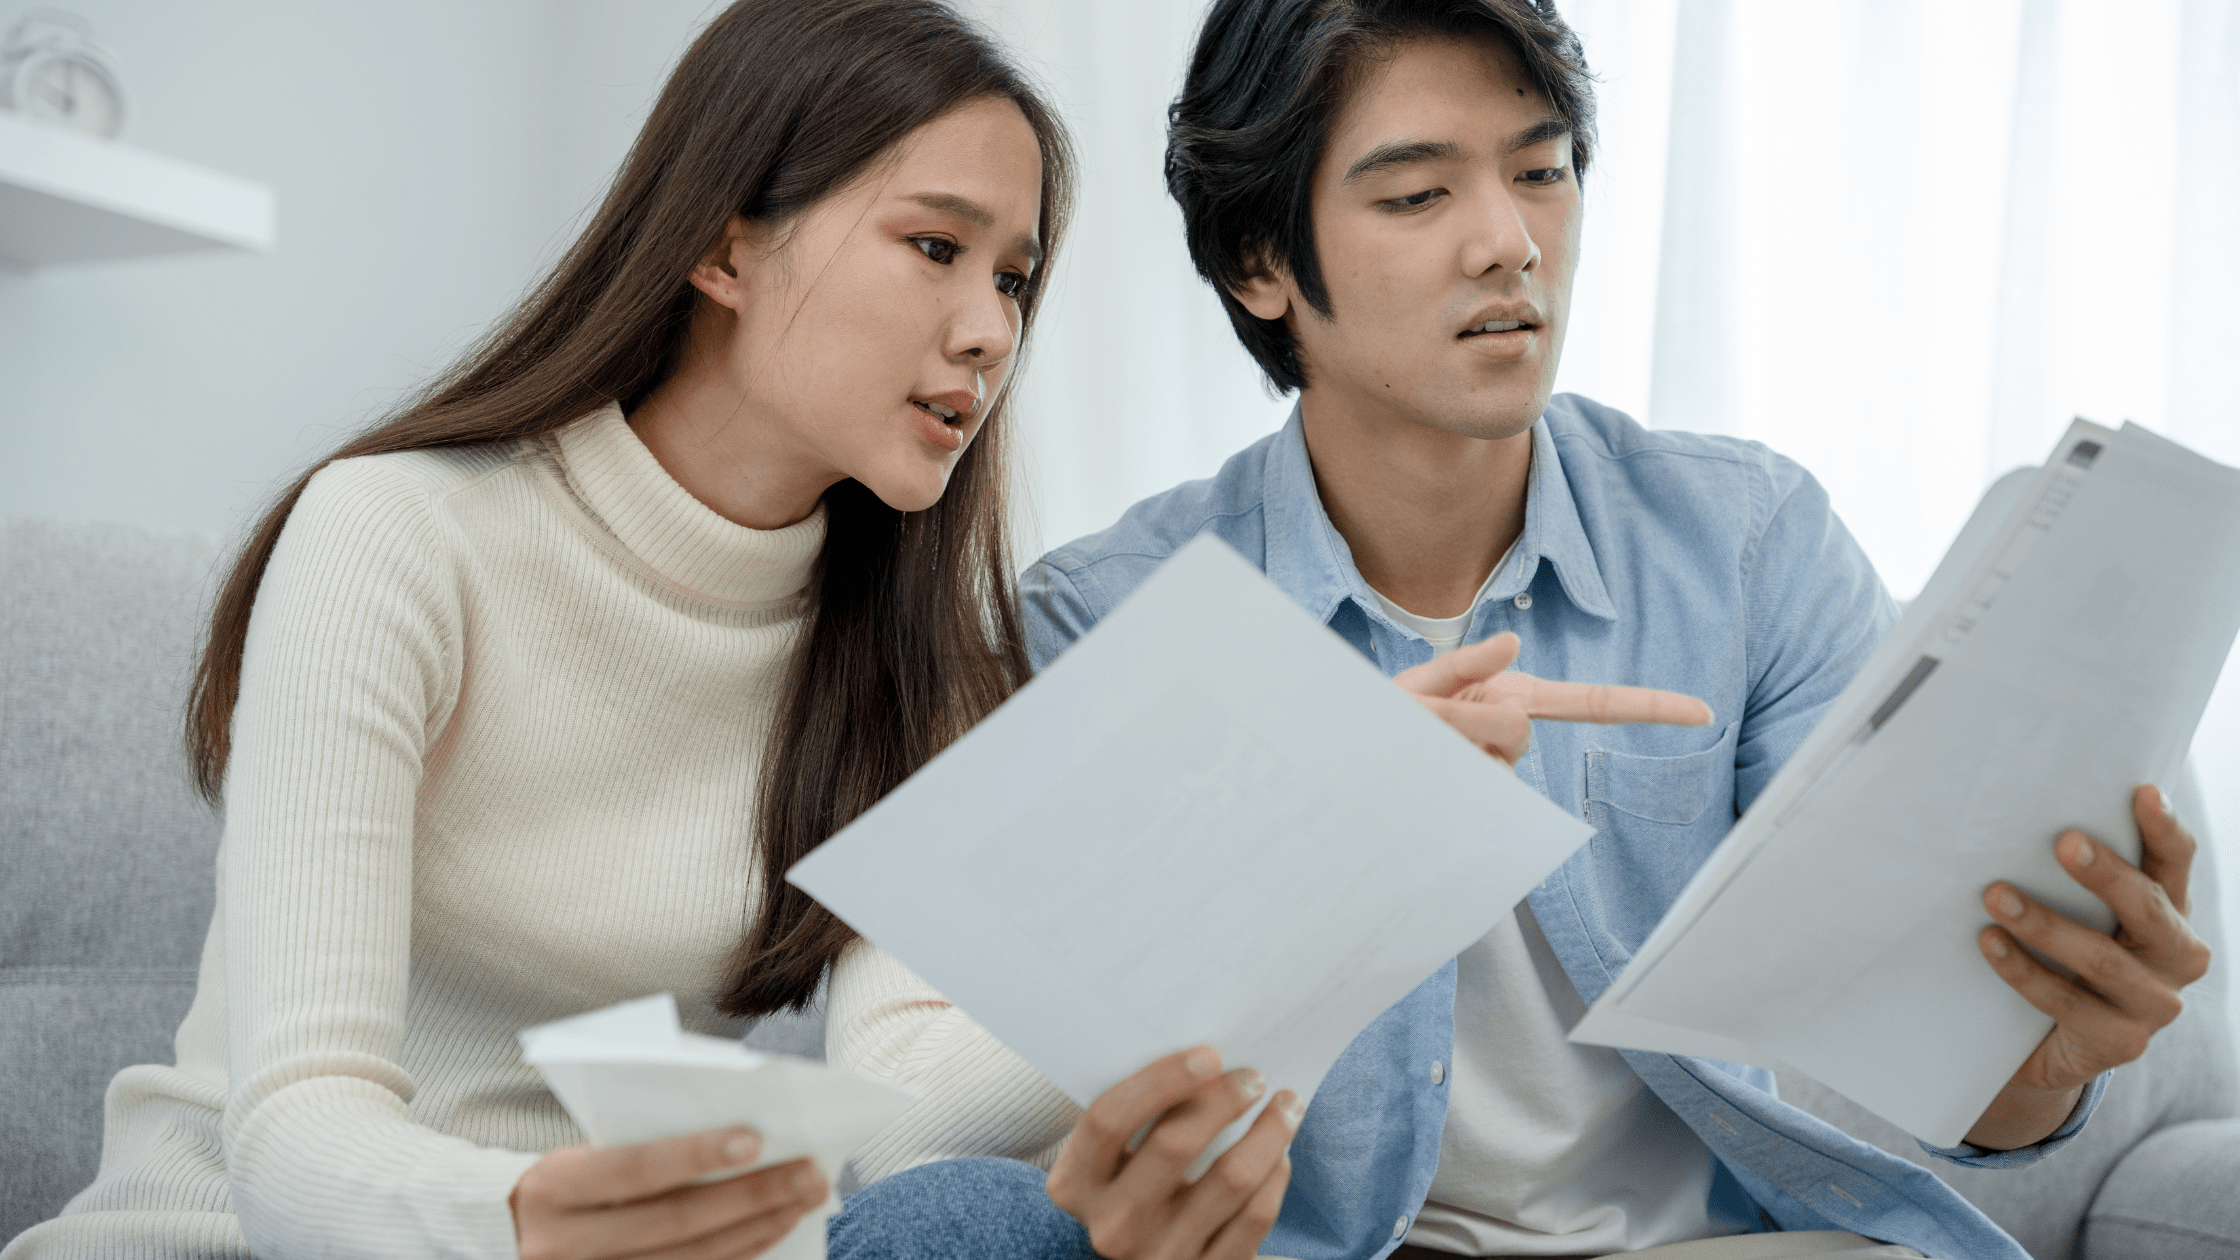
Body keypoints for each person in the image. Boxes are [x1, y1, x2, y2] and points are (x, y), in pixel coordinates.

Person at [822, 1, 2213, 1258]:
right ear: (1261, 261)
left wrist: (2048, 1062)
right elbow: (965, 1114)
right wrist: (1322, 829)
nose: (1511, 240)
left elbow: (1930, 1052)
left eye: (1543, 171)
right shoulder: (1106, 619)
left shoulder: (1743, 542)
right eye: (1420, 193)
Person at [2, 2, 1077, 1256]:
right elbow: (293, 1138)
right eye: (935, 246)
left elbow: (898, 1137)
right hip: (236, 1237)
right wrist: (526, 1215)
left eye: (1013, 276)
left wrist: (1212, 938)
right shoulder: (398, 538)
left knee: (989, 1223)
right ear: (725, 251)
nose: (990, 330)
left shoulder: (916, 669)